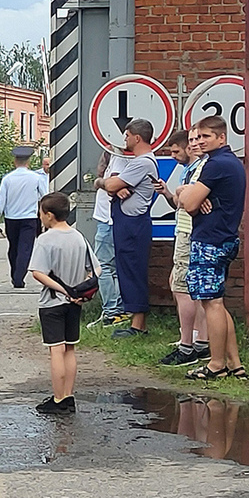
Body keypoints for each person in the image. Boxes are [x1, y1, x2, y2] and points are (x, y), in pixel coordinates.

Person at [178, 116, 248, 381]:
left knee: (212, 304)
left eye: (207, 136)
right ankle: (235, 363)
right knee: (217, 302)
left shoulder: (216, 164)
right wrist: (193, 194)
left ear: (222, 137)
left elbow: (189, 204)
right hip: (224, 238)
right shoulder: (231, 163)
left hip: (210, 240)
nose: (201, 141)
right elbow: (193, 199)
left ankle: (216, 365)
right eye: (198, 136)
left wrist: (188, 192)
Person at [28, 191, 92, 415]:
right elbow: (95, 269)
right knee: (70, 348)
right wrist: (79, 291)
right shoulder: (78, 237)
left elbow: (38, 272)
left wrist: (63, 289)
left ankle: (58, 398)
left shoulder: (45, 239)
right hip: (75, 303)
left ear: (48, 215)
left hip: (52, 302)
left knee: (56, 350)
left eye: (40, 213)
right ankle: (69, 394)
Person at [154, 130, 210, 366]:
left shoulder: (201, 167)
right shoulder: (192, 169)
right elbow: (181, 200)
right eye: (195, 140)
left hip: (189, 231)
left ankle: (190, 344)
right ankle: (198, 339)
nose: (196, 144)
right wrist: (172, 192)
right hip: (186, 229)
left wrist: (182, 193)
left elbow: (189, 200)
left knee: (184, 288)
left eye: (200, 140)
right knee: (185, 285)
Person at [100, 118, 159, 339]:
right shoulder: (138, 163)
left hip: (133, 223)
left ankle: (138, 325)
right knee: (126, 268)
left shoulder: (142, 162)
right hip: (128, 222)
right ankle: (135, 319)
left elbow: (111, 184)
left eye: (126, 135)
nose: (124, 139)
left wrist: (112, 185)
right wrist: (112, 185)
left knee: (133, 269)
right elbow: (111, 183)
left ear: (137, 137)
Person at [0, 146, 45, 288]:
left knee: (13, 247)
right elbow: (45, 197)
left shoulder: (7, 179)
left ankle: (15, 274)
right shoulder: (36, 178)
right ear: (29, 161)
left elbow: (0, 201)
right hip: (29, 218)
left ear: (15, 161)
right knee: (25, 248)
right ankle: (19, 277)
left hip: (11, 219)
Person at [87, 151, 128, 329]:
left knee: (102, 267)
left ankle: (112, 311)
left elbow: (111, 184)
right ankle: (118, 309)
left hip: (108, 220)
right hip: (110, 219)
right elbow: (102, 172)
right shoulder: (115, 155)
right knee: (115, 267)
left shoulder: (120, 157)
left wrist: (99, 182)